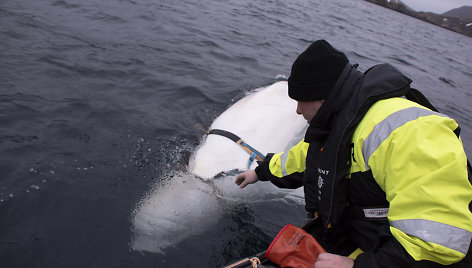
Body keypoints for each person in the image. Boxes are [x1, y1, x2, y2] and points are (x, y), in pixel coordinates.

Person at [235, 40, 472, 267]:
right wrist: (260, 172)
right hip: (372, 239)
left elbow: (438, 243)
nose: (297, 111)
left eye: (301, 101)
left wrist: (356, 266)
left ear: (323, 97)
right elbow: (308, 158)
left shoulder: (411, 132)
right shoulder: (343, 121)